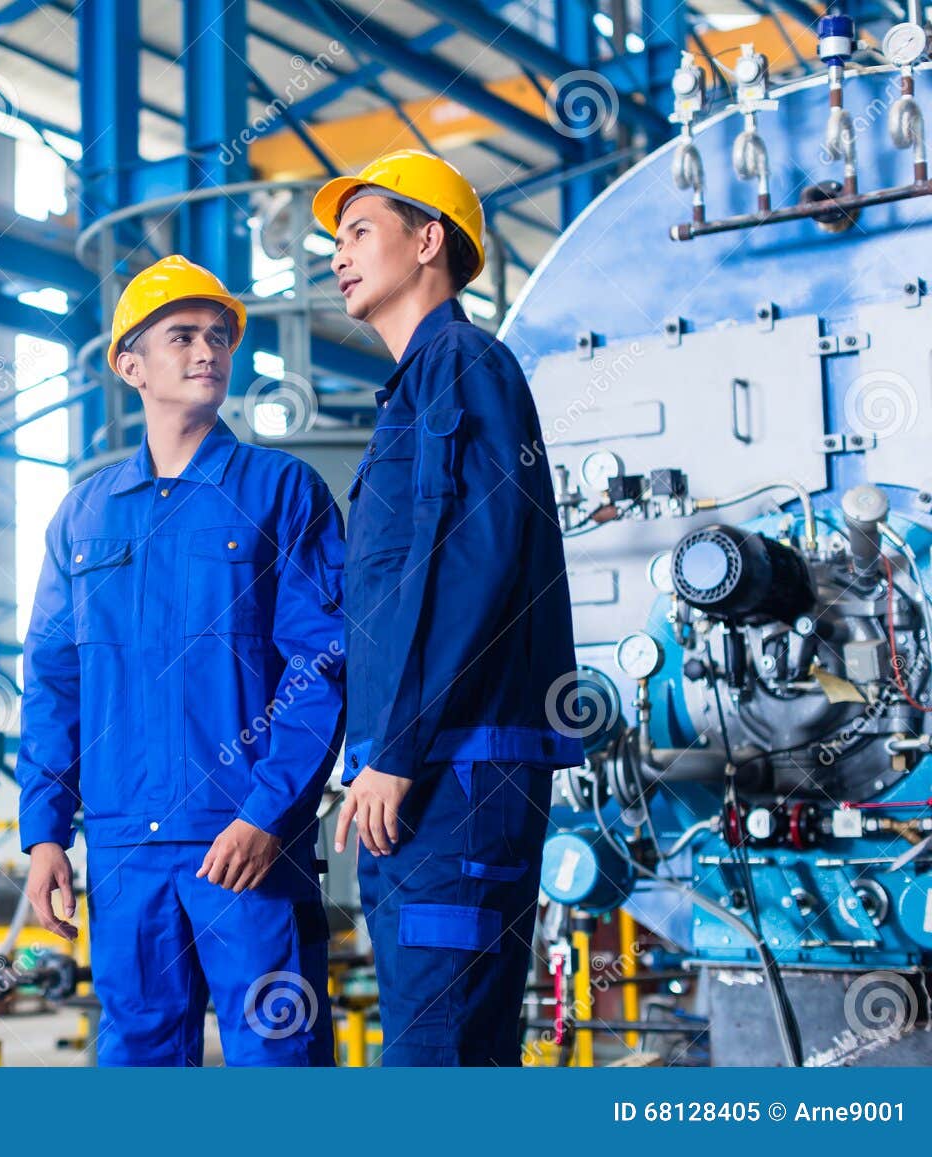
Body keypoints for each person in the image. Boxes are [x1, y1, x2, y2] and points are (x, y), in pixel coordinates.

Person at [15, 255, 346, 1066]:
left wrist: (268, 815)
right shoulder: (84, 516)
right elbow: (54, 683)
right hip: (125, 849)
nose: (208, 351)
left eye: (220, 337)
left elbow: (322, 665)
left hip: (243, 842)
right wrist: (44, 833)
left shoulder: (280, 491)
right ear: (131, 366)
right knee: (138, 1058)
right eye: (183, 335)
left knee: (280, 1057)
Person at [314, 151, 581, 1065]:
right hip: (433, 768)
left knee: (437, 1051)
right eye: (336, 240)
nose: (338, 255)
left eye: (360, 231)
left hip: (453, 769)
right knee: (449, 1042)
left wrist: (395, 748)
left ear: (428, 240)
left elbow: (473, 562)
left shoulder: (463, 364)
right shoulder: (422, 384)